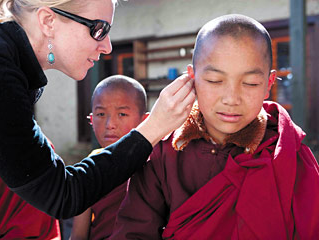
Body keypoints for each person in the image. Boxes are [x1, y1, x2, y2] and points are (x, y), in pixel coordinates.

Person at [0, 0, 196, 239]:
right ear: (48, 21)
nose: (107, 47)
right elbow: (62, 194)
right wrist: (155, 126)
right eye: (98, 29)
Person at [111, 14, 319, 239]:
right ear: (192, 78)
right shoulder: (163, 152)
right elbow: (133, 231)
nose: (231, 99)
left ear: (268, 84)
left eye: (250, 83)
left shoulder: (286, 154)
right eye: (214, 81)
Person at [67, 75, 149, 240]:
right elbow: (78, 235)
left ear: (145, 120)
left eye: (122, 114)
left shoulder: (154, 162)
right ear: (91, 119)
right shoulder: (90, 167)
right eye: (101, 114)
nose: (110, 124)